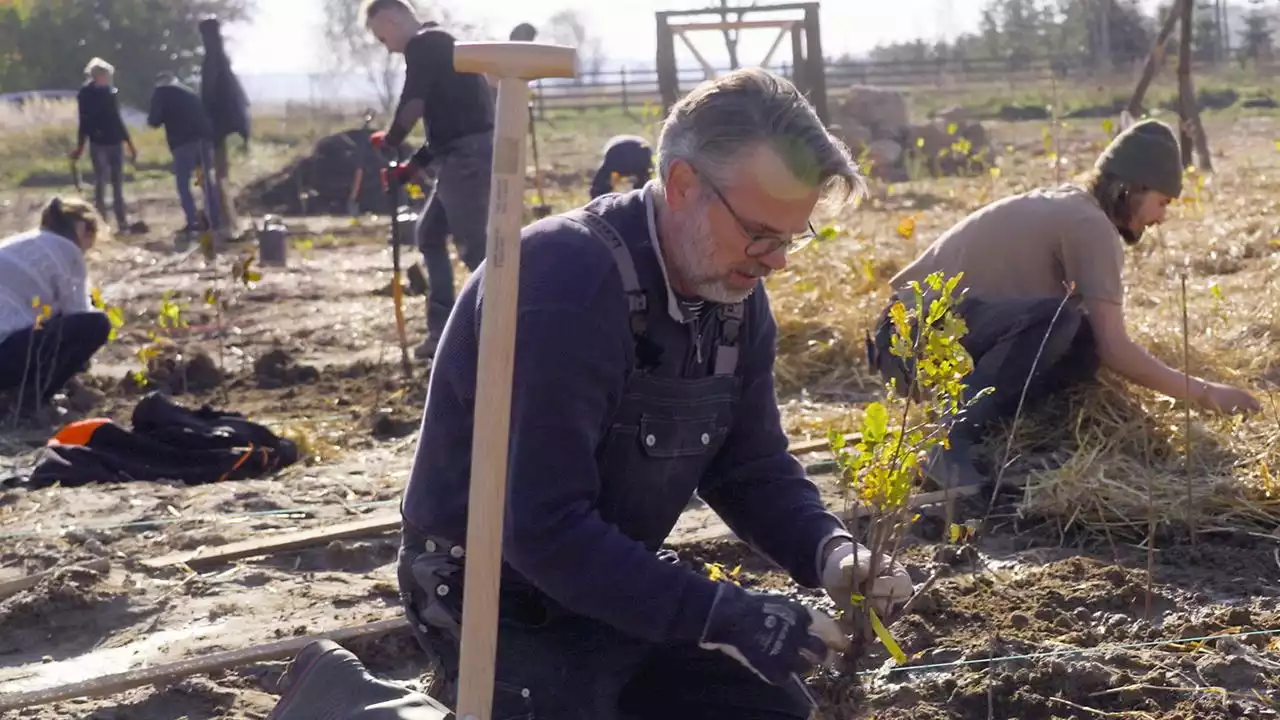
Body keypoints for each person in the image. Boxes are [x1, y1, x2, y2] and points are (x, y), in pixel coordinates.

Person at [396, 68, 915, 719]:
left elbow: (750, 467)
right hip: (493, 597)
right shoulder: (566, 281)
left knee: (773, 709)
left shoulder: (735, 297)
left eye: (790, 237)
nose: (775, 260)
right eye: (760, 232)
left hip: (610, 585)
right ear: (682, 185)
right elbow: (540, 527)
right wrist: (725, 613)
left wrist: (832, 552)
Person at [870, 118, 1261, 490]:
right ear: (1128, 191)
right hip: (907, 339)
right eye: (1162, 202)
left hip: (917, 340)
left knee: (1080, 341)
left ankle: (992, 437)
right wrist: (1208, 394)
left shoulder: (1073, 208)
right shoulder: (1090, 225)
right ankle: (948, 443)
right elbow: (1117, 349)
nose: (1163, 217)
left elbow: (1099, 345)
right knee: (1058, 322)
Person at [361, 0, 496, 361]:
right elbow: (448, 125)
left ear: (390, 20)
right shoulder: (438, 44)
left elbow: (414, 102)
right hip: (459, 154)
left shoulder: (424, 43)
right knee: (430, 234)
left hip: (465, 160)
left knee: (475, 250)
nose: (385, 45)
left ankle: (507, 326)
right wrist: (410, 166)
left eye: (381, 36)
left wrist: (390, 140)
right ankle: (442, 331)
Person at [0, 197, 112, 420]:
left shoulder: (19, 243)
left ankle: (17, 393)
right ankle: (32, 400)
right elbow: (78, 314)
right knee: (97, 323)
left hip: (7, 349)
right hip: (5, 356)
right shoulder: (67, 250)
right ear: (83, 229)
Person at [147, 72, 224, 235]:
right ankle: (215, 219)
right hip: (204, 141)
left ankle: (193, 221)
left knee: (183, 183)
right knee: (205, 181)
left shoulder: (160, 93)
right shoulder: (188, 91)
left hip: (183, 144)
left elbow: (154, 121)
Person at [69, 58, 136, 234]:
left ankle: (122, 221)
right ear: (98, 76)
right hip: (98, 143)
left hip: (115, 141)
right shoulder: (85, 94)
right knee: (101, 182)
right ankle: (100, 221)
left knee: (118, 183)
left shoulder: (111, 92)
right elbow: (84, 121)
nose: (109, 79)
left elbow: (117, 118)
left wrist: (129, 142)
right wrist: (80, 146)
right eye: (107, 76)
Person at [590, 135, 654, 199]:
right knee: (644, 187)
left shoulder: (612, 160)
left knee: (600, 187)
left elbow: (597, 187)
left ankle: (599, 203)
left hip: (617, 151)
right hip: (642, 151)